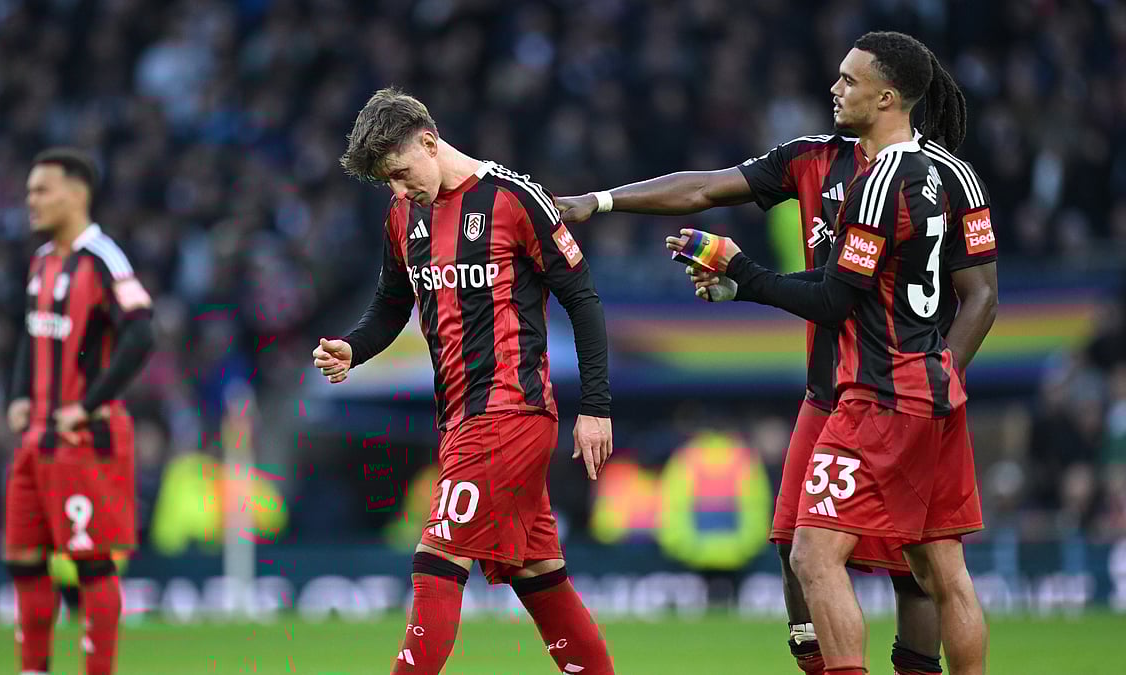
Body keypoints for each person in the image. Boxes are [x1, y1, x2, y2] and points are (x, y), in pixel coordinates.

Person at [558, 31, 995, 675]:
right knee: (885, 557)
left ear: (887, 95)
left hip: (878, 391)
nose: (834, 88)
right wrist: (600, 201)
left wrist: (935, 376)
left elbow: (961, 297)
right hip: (849, 391)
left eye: (849, 79)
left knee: (847, 560)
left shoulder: (897, 181)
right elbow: (705, 187)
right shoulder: (827, 160)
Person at [317, 87, 615, 675]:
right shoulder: (404, 215)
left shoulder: (514, 198)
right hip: (460, 420)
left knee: (436, 558)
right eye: (388, 183)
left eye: (402, 174)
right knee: (539, 577)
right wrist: (354, 347)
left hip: (510, 415)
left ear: (429, 142)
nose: (400, 191)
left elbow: (582, 299)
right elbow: (391, 303)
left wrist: (596, 406)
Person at [5, 147, 156, 675]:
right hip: (36, 438)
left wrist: (88, 405)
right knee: (23, 562)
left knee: (90, 563)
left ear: (75, 193)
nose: (31, 201)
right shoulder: (43, 260)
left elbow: (142, 332)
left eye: (41, 190)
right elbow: (33, 334)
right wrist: (21, 393)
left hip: (82, 440)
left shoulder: (103, 257)